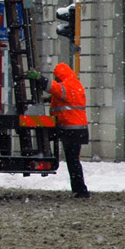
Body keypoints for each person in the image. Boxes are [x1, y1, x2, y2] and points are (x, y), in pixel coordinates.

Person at [30, 63, 90, 198]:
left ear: (60, 76)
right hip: (75, 128)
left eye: (56, 77)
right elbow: (65, 97)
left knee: (73, 161)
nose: (55, 79)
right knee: (73, 160)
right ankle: (79, 189)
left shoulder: (67, 85)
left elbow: (53, 87)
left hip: (70, 128)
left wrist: (39, 78)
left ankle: (81, 190)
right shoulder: (75, 84)